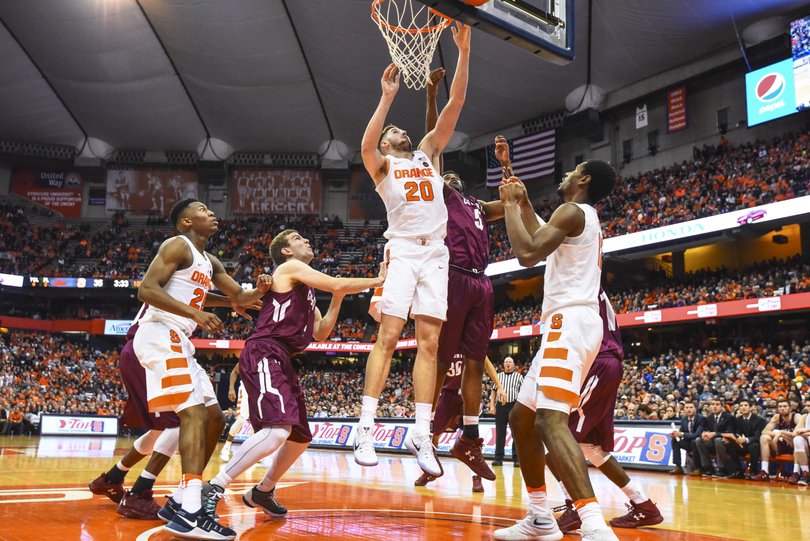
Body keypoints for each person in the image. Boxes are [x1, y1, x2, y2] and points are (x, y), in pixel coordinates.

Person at [353, 22, 470, 477]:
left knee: (431, 343)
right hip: (402, 252)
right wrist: (385, 99)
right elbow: (364, 144)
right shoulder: (383, 167)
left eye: (400, 127)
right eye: (392, 129)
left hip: (436, 255)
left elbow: (454, 107)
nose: (401, 130)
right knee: (387, 336)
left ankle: (421, 432)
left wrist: (462, 53)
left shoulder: (427, 154)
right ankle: (366, 424)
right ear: (386, 145)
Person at [202, 229, 385, 519]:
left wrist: (337, 298)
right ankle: (214, 486)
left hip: (283, 357)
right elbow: (336, 281)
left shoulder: (307, 287)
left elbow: (321, 333)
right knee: (277, 431)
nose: (308, 241)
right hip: (265, 350)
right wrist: (378, 280)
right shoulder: (289, 269)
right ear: (286, 251)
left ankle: (263, 490)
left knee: (300, 437)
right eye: (299, 239)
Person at [493, 159, 618, 541]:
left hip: (570, 323)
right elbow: (543, 238)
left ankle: (594, 525)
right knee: (521, 418)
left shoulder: (572, 210)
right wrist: (525, 203)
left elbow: (528, 253)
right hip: (566, 325)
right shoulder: (579, 216)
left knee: (550, 421)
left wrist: (511, 206)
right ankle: (540, 517)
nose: (564, 175)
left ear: (584, 179)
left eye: (572, 170)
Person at [136, 198, 271, 541]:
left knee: (215, 417)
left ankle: (180, 500)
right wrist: (195, 313)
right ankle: (191, 513)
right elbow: (146, 290)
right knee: (193, 415)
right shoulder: (176, 245)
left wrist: (261, 289)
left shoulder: (209, 261)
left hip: (180, 340)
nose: (210, 212)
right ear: (185, 222)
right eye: (201, 209)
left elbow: (240, 296)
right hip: (160, 332)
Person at [550, 288, 663, 531]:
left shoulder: (580, 283)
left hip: (598, 362)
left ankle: (576, 507)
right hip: (606, 363)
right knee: (591, 448)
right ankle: (643, 505)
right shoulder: (592, 285)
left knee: (556, 440)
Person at [414, 355, 506, 492]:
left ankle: (477, 477)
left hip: (466, 394)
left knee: (474, 439)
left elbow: (486, 362)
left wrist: (499, 385)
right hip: (445, 394)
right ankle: (429, 471)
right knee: (433, 435)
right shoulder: (446, 341)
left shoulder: (469, 343)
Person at [750, 398, 801, 481]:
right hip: (783, 445)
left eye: (785, 406)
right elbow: (764, 431)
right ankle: (764, 472)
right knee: (764, 438)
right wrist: (780, 435)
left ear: (790, 408)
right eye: (780, 407)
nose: (782, 408)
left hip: (796, 446)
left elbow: (795, 434)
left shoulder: (797, 417)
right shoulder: (777, 417)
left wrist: (781, 433)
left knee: (797, 440)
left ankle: (796, 473)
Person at [722, 398, 767, 479]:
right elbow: (736, 433)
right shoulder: (737, 420)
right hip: (743, 444)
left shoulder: (759, 420)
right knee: (730, 445)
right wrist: (735, 439)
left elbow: (758, 436)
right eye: (741, 406)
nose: (743, 407)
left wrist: (745, 439)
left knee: (753, 446)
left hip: (755, 444)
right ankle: (738, 471)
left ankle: (753, 472)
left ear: (751, 408)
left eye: (746, 405)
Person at [693, 398, 735, 477]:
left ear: (722, 407)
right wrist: (704, 434)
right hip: (712, 442)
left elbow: (729, 432)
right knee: (699, 440)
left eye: (717, 404)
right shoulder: (709, 418)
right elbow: (705, 430)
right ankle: (708, 467)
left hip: (725, 443)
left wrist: (714, 434)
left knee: (718, 440)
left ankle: (722, 469)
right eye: (713, 405)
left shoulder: (729, 417)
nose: (715, 406)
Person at [492, 357, 522, 467]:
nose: (508, 364)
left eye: (510, 362)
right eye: (506, 362)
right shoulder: (499, 376)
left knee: (516, 434)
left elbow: (522, 393)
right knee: (500, 434)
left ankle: (517, 459)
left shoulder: (518, 377)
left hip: (514, 406)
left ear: (514, 365)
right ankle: (498, 459)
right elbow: (493, 391)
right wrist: (492, 405)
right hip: (501, 406)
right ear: (503, 365)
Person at [220, 364, 253, 462]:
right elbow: (234, 372)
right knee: (242, 418)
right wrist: (231, 388)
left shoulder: (266, 357)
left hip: (259, 390)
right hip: (246, 389)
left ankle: (251, 449)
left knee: (255, 421)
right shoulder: (247, 356)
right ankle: (226, 446)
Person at [668, 401, 705, 475]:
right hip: (688, 442)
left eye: (691, 407)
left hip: (699, 443)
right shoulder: (684, 419)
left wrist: (681, 434)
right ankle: (678, 467)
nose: (689, 410)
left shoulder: (701, 419)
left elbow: (697, 435)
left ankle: (698, 468)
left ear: (695, 409)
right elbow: (681, 431)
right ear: (684, 409)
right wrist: (675, 434)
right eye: (687, 408)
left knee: (694, 441)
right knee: (675, 441)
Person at [792, 413, 810, 485]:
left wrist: (807, 430)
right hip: (808, 447)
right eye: (808, 405)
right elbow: (795, 433)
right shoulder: (806, 416)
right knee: (797, 439)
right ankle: (806, 473)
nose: (808, 407)